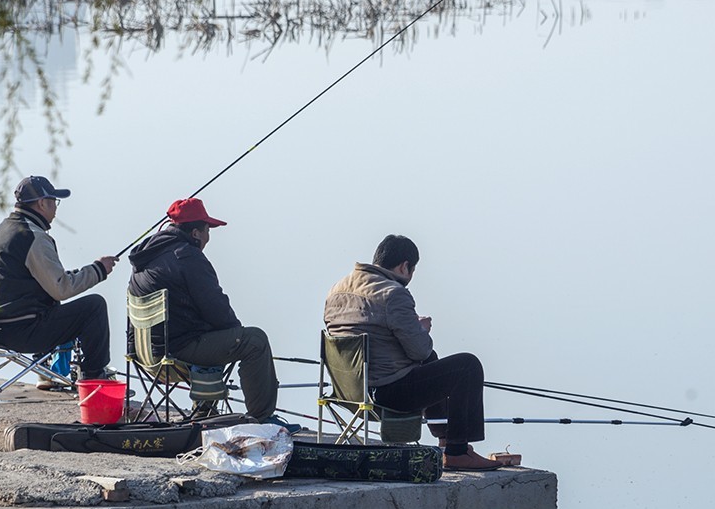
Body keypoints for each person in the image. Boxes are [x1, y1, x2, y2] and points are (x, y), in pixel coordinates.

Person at [324, 235, 503, 471]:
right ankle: (457, 451)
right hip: (387, 392)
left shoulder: (336, 290)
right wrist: (421, 329)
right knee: (467, 366)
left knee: (432, 361)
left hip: (349, 390)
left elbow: (366, 329)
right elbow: (419, 349)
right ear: (404, 266)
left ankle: (445, 439)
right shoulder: (393, 293)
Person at [127, 198, 286, 425]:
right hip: (177, 352)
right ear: (195, 233)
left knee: (217, 335)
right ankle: (263, 420)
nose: (209, 237)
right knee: (254, 340)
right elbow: (218, 311)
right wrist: (236, 333)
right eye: (207, 229)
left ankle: (204, 409)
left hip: (147, 355)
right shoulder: (188, 257)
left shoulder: (145, 258)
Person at [0, 175, 117, 388]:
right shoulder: (33, 236)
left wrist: (85, 271)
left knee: (58, 306)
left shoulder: (2, 231)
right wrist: (98, 270)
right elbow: (62, 289)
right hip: (24, 332)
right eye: (54, 202)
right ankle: (94, 376)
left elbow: (47, 281)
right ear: (42, 203)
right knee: (94, 306)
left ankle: (47, 368)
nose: (56, 209)